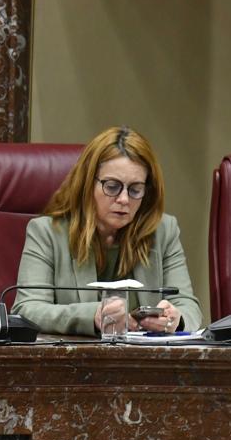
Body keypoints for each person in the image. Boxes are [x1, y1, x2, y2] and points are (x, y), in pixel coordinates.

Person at [12, 126, 203, 336]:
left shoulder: (164, 232)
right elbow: (27, 310)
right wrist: (92, 316)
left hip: (148, 362)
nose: (123, 199)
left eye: (135, 189)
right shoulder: (46, 233)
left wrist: (176, 319)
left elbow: (188, 306)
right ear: (87, 184)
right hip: (73, 362)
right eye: (112, 187)